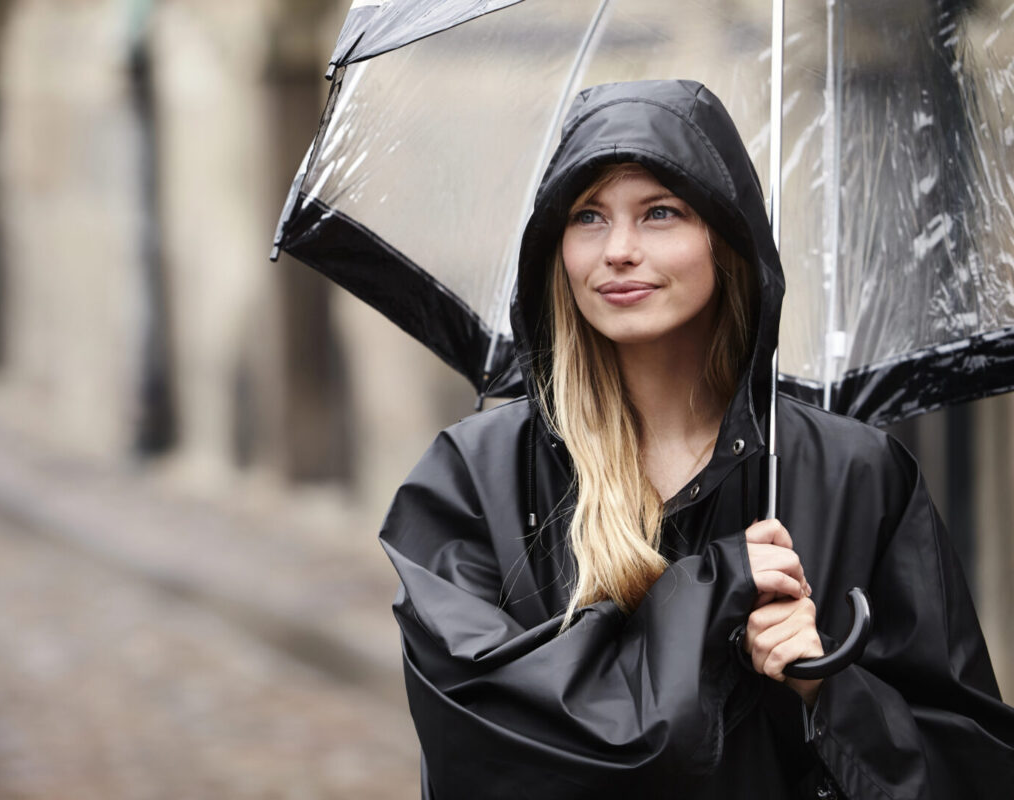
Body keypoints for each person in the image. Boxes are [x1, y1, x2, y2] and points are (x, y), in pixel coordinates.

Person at [379, 80, 1014, 799]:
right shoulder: (473, 475)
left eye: (659, 213)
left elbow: (970, 770)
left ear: (727, 239)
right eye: (588, 217)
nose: (618, 250)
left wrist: (828, 691)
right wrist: (719, 590)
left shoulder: (855, 474)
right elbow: (485, 742)